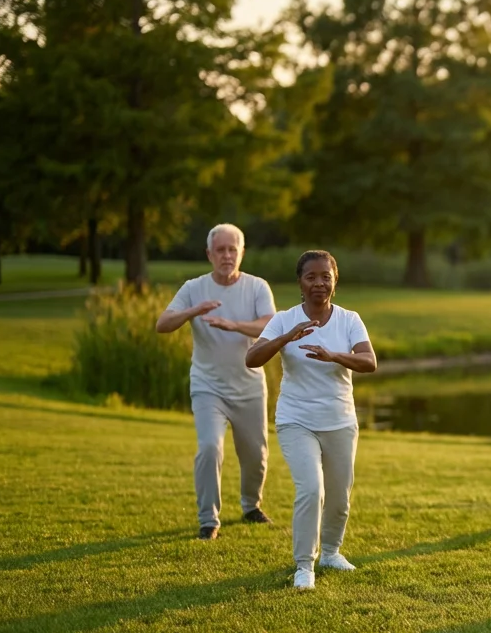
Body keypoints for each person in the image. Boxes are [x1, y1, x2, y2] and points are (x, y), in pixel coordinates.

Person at [245, 250, 377, 591]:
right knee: (311, 489)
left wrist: (335, 355)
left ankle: (331, 552)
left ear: (335, 281)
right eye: (311, 277)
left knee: (339, 496)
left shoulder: (349, 320)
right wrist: (286, 337)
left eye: (326, 277)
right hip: (296, 419)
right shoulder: (284, 319)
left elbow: (368, 362)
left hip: (340, 420)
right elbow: (252, 358)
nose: (319, 283)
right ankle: (305, 566)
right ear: (300, 283)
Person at [156, 224, 276, 541]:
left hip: (249, 386)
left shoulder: (257, 287)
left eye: (232, 249)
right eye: (220, 250)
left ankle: (251, 506)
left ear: (241, 253)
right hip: (208, 385)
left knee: (256, 456)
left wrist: (232, 324)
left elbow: (269, 325)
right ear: (209, 254)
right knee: (209, 447)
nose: (226, 255)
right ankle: (208, 520)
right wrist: (195, 310)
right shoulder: (194, 288)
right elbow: (163, 323)